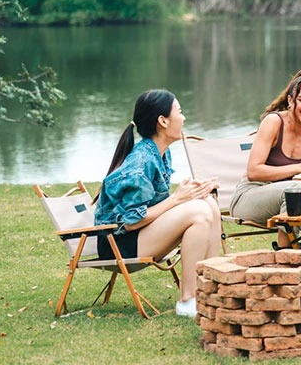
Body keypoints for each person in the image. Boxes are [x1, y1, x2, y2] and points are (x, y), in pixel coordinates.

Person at [94, 89, 221, 318]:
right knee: (199, 213)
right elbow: (132, 222)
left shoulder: (160, 153)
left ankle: (209, 291)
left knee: (207, 202)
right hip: (118, 243)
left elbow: (152, 204)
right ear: (163, 121)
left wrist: (192, 192)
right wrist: (178, 198)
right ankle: (187, 300)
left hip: (135, 236)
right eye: (180, 112)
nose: (184, 118)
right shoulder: (141, 161)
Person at [230, 69, 301, 248]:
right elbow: (253, 171)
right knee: (295, 189)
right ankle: (286, 252)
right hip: (250, 196)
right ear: (291, 101)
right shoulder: (274, 122)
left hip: (289, 199)